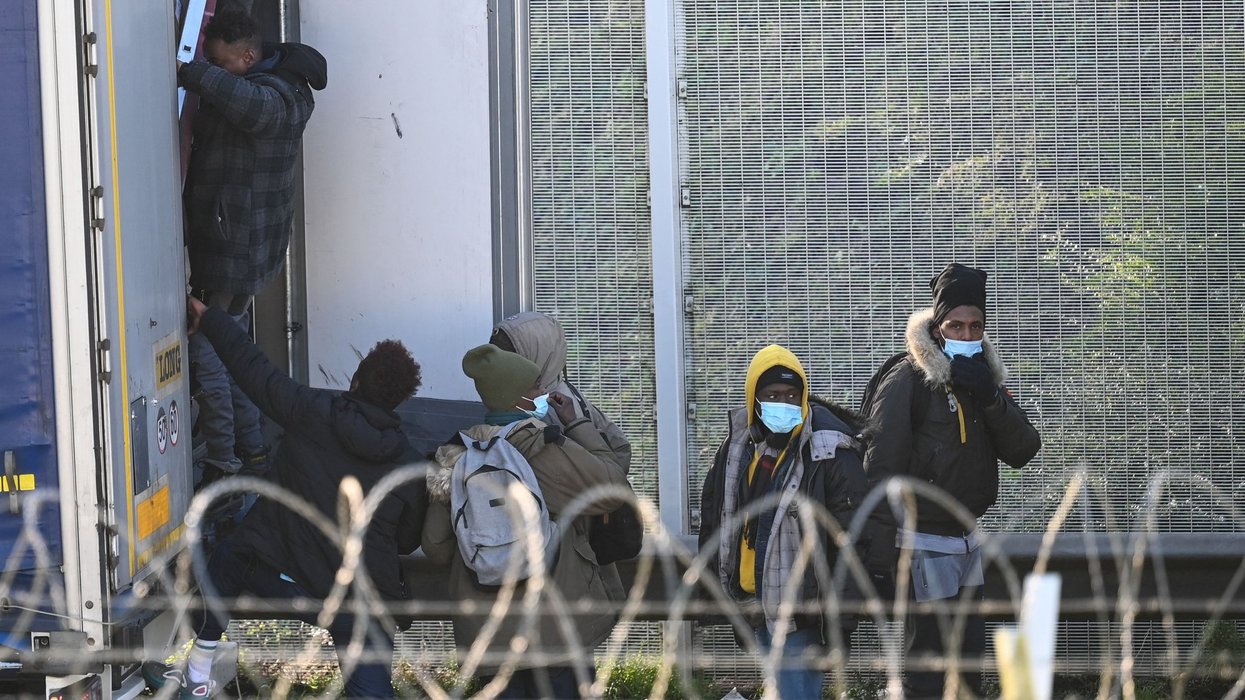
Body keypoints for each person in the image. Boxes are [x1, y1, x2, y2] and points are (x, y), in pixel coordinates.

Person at [146, 296, 423, 699]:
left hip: (288, 581)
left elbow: (255, 373)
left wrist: (211, 320)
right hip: (358, 603)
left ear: (355, 380)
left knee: (230, 555)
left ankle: (199, 671)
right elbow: (407, 541)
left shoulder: (312, 411)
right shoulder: (407, 464)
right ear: (398, 400)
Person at [861, 263, 1042, 699]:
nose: (966, 334)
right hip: (921, 540)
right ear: (938, 327)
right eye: (955, 325)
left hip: (967, 539)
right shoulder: (909, 377)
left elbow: (1024, 449)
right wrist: (881, 555)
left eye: (975, 325)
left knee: (967, 665)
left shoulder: (982, 380)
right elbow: (879, 465)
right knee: (929, 667)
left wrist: (990, 396)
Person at [421, 344, 630, 699]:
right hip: (555, 631)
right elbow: (612, 489)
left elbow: (435, 548)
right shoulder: (543, 448)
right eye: (535, 387)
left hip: (491, 636)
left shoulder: (456, 456)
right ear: (519, 398)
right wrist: (577, 424)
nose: (543, 393)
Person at [178, 7, 327, 480]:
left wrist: (188, 72)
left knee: (210, 354)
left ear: (248, 56)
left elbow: (253, 108)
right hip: (239, 248)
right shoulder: (267, 82)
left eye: (222, 63)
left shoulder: (280, 96)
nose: (217, 71)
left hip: (233, 253)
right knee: (233, 351)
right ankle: (254, 451)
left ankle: (224, 461)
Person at [698, 345, 868, 700]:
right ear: (754, 398)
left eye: (792, 395)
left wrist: (839, 618)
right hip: (753, 601)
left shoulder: (828, 450)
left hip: (802, 611)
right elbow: (718, 517)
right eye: (772, 395)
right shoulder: (740, 447)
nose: (784, 402)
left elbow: (852, 537)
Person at [490, 312, 636, 588]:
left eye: (511, 355)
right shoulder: (561, 398)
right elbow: (619, 451)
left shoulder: (552, 407)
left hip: (568, 559)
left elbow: (611, 470)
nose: (501, 362)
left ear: (535, 355)